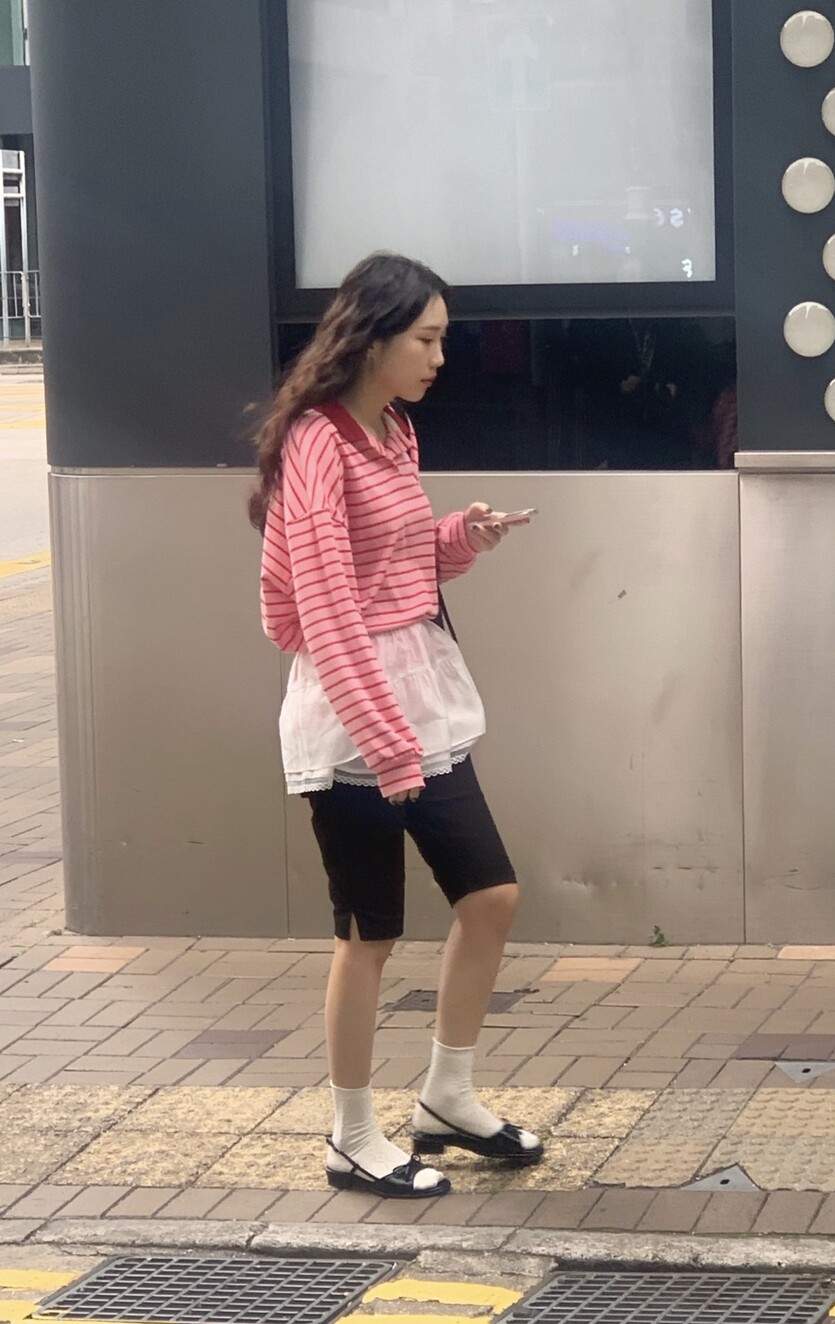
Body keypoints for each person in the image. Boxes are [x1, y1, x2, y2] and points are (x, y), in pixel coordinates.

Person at [248, 252, 541, 1201]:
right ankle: (351, 1136)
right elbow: (329, 607)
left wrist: (461, 537)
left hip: (419, 705)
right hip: (352, 721)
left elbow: (395, 566)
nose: (440, 357)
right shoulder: (317, 442)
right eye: (427, 339)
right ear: (372, 338)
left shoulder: (393, 430)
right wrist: (384, 742)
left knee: (490, 896)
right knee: (368, 934)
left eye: (442, 339)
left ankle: (446, 1099)